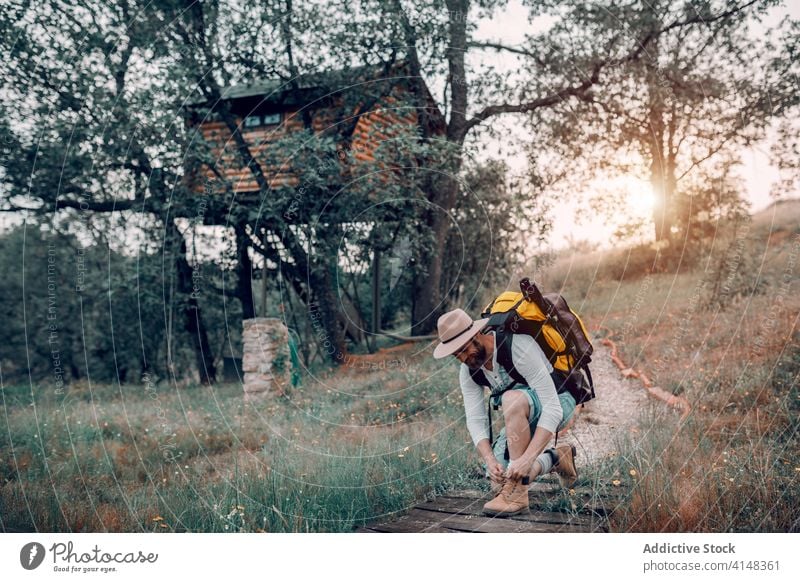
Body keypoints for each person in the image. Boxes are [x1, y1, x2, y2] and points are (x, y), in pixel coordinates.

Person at [433, 308, 579, 516]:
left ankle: (518, 496)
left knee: (512, 399)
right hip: (521, 412)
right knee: (499, 483)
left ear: (476, 335)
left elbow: (553, 408)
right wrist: (490, 460)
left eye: (465, 349)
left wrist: (526, 458)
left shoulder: (516, 345)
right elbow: (475, 419)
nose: (464, 358)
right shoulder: (468, 370)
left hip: (559, 401)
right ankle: (556, 458)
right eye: (457, 355)